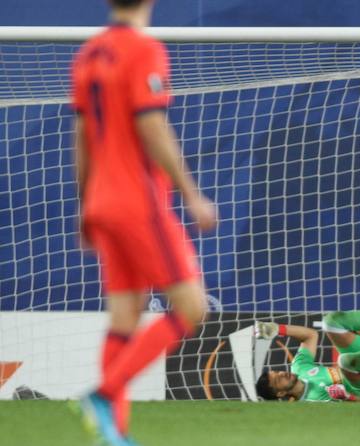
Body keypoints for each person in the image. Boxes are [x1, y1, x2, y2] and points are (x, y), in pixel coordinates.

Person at [71, 0, 216, 444]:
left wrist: (85, 204)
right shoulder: (143, 49)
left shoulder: (89, 53)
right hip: (139, 203)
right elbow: (151, 124)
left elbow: (81, 135)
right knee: (192, 307)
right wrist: (191, 193)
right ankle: (103, 396)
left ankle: (113, 433)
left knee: (125, 317)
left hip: (102, 201)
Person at [254, 311, 360, 402]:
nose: (282, 373)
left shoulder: (299, 368)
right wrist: (348, 398)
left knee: (331, 323)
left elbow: (310, 335)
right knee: (345, 362)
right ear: (281, 393)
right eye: (278, 379)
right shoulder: (312, 405)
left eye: (278, 372)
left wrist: (278, 329)